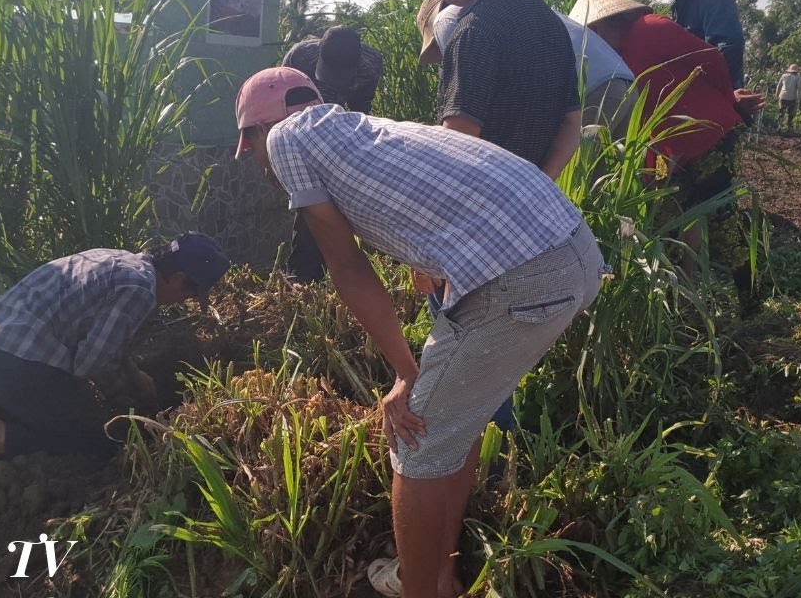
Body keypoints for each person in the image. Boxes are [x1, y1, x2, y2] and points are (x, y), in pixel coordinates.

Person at [234, 67, 602, 598]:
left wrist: (408, 375)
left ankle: (418, 588)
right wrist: (418, 364)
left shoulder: (289, 137)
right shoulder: (362, 134)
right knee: (455, 422)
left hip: (528, 274)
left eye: (251, 149)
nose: (260, 166)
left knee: (419, 442)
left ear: (256, 132)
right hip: (566, 250)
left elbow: (348, 268)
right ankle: (438, 577)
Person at [0, 233, 230, 476]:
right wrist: (121, 403)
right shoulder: (140, 289)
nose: (183, 302)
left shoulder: (118, 260)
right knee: (97, 441)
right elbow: (90, 364)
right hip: (21, 365)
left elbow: (98, 338)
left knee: (49, 409)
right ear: (178, 279)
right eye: (189, 295)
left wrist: (134, 373)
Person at [570, 0, 763, 304]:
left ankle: (753, 301)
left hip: (709, 134)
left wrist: (729, 98)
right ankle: (681, 295)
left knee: (720, 220)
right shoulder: (613, 58)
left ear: (605, 23)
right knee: (670, 215)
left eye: (592, 31)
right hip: (672, 148)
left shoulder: (651, 28)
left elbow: (711, 58)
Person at [402, 0, 580, 177]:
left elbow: (458, 143)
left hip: (481, 209)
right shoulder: (548, 21)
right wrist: (540, 186)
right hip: (533, 202)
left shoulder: (475, 28)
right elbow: (571, 122)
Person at [421, 0, 637, 131]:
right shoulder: (505, 5)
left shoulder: (448, 18)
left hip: (591, 93)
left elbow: (467, 104)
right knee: (607, 187)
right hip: (624, 82)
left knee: (569, 186)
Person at [280, 26, 384, 282]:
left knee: (333, 203)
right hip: (301, 130)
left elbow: (361, 115)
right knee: (309, 203)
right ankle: (302, 277)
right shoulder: (300, 57)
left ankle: (330, 274)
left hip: (338, 131)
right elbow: (280, 103)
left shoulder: (369, 66)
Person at [776, 64, 801, 131]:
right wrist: (800, 97)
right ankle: (789, 127)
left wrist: (777, 95)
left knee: (781, 112)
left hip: (783, 96)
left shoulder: (784, 76)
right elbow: (800, 88)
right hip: (792, 98)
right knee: (791, 114)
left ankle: (779, 126)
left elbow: (779, 86)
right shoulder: (798, 77)